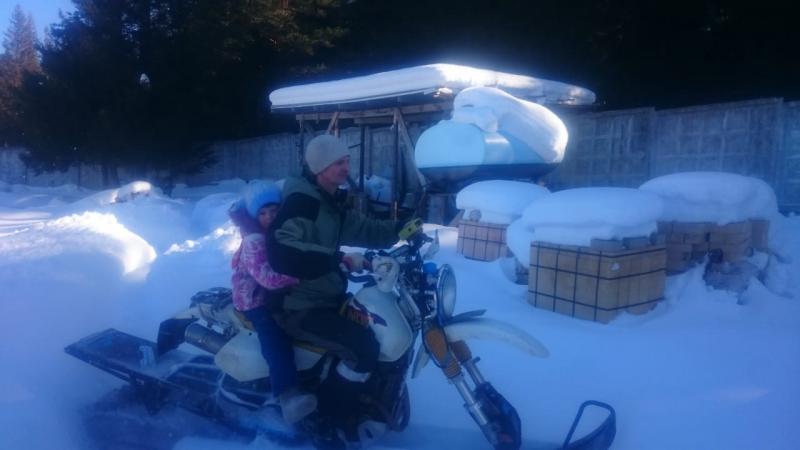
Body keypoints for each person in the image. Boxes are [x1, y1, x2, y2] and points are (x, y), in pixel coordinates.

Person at [267, 135, 415, 403]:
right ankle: (332, 415)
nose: (346, 168)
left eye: (347, 161)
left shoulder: (329, 202)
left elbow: (365, 229)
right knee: (363, 349)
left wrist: (403, 229)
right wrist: (338, 260)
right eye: (338, 163)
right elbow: (281, 250)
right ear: (319, 167)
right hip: (298, 305)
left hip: (326, 297)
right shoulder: (303, 202)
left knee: (375, 329)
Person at [229, 180, 317, 424]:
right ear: (254, 216)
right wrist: (301, 276)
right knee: (274, 337)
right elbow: (266, 278)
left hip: (275, 295)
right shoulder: (254, 240)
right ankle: (288, 394)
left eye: (274, 210)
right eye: (263, 213)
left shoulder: (280, 232)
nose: (269, 217)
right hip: (253, 299)